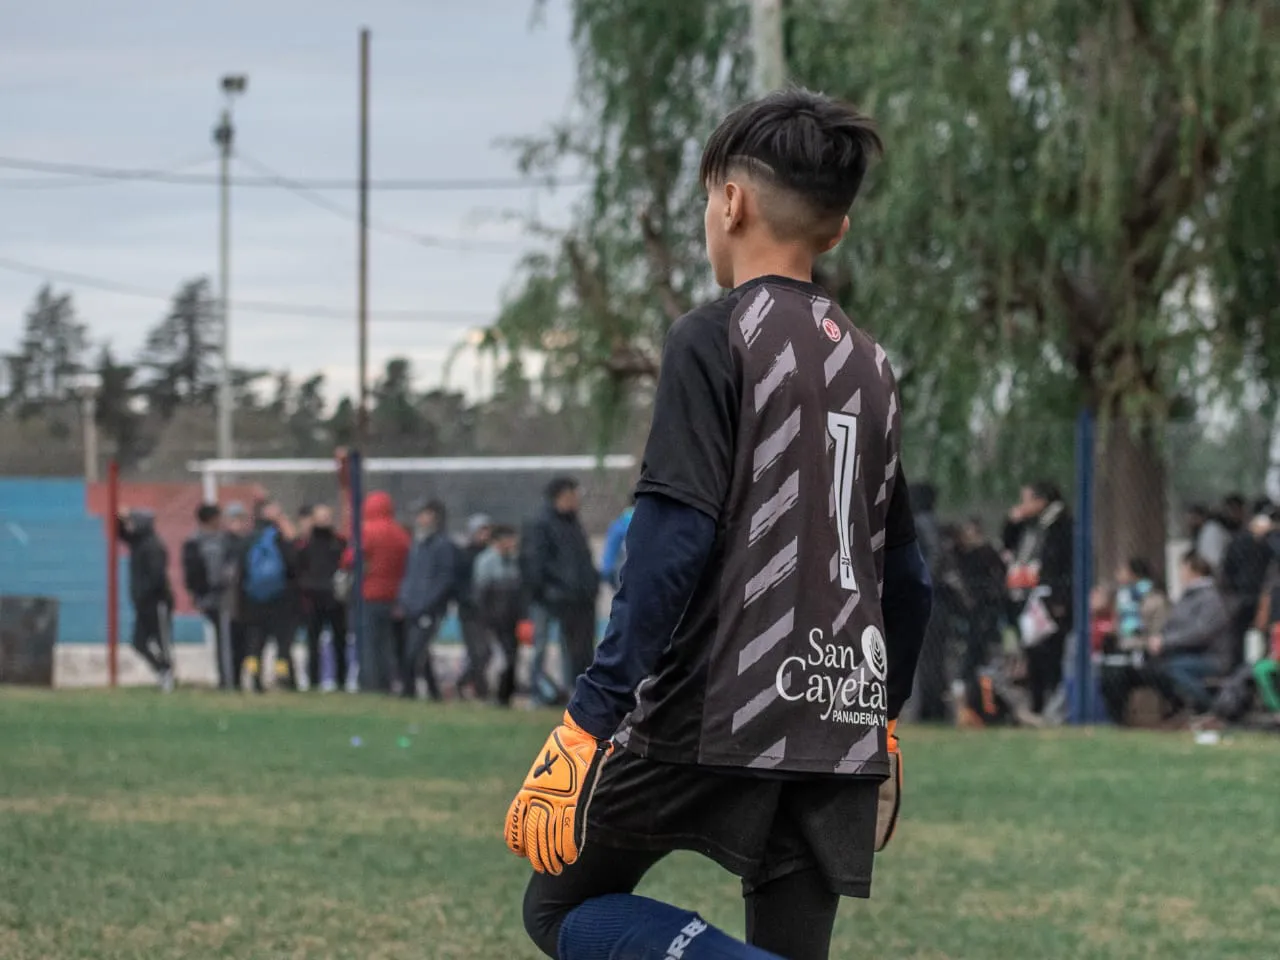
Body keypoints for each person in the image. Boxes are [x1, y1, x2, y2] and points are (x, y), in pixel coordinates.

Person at [508, 90, 932, 960]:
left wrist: (587, 721)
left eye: (707, 199)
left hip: (717, 705)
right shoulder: (874, 365)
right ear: (837, 229)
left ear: (729, 201)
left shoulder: (716, 336)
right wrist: (880, 722)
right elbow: (909, 578)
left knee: (558, 909)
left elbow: (673, 540)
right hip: (839, 712)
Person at [521, 477, 599, 705]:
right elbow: (534, 562)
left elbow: (583, 561)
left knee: (572, 648)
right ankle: (536, 693)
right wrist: (546, 589)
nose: (576, 501)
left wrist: (588, 585)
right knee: (540, 646)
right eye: (571, 496)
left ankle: (571, 692)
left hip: (574, 599)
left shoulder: (574, 524)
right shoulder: (540, 524)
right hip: (549, 597)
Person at [1003, 481, 1073, 718]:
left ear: (1041, 501)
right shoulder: (1030, 526)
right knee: (1032, 649)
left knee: (1050, 651)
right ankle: (1037, 702)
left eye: (1027, 500)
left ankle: (1052, 703)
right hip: (1028, 594)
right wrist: (1012, 521)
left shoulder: (1061, 525)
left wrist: (1060, 597)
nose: (1023, 506)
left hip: (1050, 597)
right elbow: (1008, 543)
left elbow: (1064, 564)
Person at [1146, 551, 1231, 717]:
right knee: (1153, 668)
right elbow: (1173, 626)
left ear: (1193, 571)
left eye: (1183, 569)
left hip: (1211, 658)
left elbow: (1201, 632)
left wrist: (1166, 642)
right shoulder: (1187, 597)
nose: (1180, 574)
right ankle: (1178, 708)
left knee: (1172, 668)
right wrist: (1159, 639)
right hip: (1184, 654)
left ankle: (1211, 708)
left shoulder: (1210, 598)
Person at [348, 491, 410, 693]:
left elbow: (349, 559)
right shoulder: (400, 534)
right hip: (393, 596)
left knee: (368, 643)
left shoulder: (366, 531)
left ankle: (369, 683)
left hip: (369, 594)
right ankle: (387, 682)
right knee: (387, 643)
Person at [236, 499, 300, 692]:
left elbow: (240, 570)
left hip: (252, 599)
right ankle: (283, 676)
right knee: (282, 641)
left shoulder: (247, 540)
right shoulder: (279, 538)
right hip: (281, 598)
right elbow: (293, 563)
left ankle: (253, 676)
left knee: (255, 641)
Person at [397, 500, 456, 700]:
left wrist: (427, 604)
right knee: (420, 653)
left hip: (428, 609)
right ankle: (434, 694)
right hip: (412, 607)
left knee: (414, 653)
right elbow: (409, 576)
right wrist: (404, 600)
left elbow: (444, 580)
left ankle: (408, 692)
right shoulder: (417, 545)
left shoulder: (442, 546)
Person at [117, 509, 175, 692]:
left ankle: (167, 674)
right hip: (143, 603)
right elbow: (121, 533)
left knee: (162, 641)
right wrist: (119, 518)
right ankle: (162, 670)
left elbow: (157, 577)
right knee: (138, 642)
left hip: (157, 603)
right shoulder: (139, 543)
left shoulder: (153, 546)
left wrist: (144, 594)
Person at [296, 503, 348, 693]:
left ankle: (341, 680)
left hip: (335, 599)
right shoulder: (306, 543)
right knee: (313, 642)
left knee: (340, 642)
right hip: (313, 598)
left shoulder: (339, 542)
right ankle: (313, 681)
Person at [182, 503, 233, 689]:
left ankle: (229, 678)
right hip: (215, 596)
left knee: (228, 637)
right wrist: (198, 594)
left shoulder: (224, 539)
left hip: (225, 596)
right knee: (224, 637)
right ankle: (227, 680)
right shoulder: (196, 542)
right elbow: (192, 572)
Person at [474, 525, 525, 707]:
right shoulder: (486, 562)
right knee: (498, 659)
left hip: (510, 620)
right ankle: (491, 694)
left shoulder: (514, 561)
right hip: (493, 620)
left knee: (512, 657)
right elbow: (481, 594)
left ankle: (505, 696)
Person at [1220, 513, 1274, 668]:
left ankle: (1238, 668)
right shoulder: (1266, 545)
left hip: (1239, 596)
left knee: (1238, 637)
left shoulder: (1236, 543)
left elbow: (1226, 570)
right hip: (1258, 596)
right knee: (1265, 636)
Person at [454, 514, 494, 699]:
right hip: (469, 611)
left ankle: (466, 683)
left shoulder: (491, 555)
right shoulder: (464, 556)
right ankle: (480, 689)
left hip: (486, 611)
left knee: (484, 652)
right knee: (479, 652)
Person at [222, 501, 253, 687]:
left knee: (248, 641)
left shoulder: (250, 542)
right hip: (232, 601)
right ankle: (231, 680)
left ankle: (245, 678)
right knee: (232, 642)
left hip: (248, 599)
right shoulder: (224, 543)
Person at [600, 500, 635, 590]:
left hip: (614, 571)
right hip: (624, 572)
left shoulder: (620, 521)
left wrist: (606, 571)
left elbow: (610, 549)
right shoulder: (636, 518)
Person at [1186, 504, 1231, 574]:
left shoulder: (1212, 530)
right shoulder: (1203, 530)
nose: (1191, 522)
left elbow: (1214, 560)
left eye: (1194, 518)